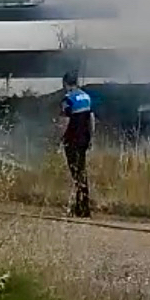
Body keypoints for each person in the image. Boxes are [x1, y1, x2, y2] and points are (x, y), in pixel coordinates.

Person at [60, 71, 94, 217]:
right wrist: (91, 137)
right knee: (82, 171)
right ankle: (84, 205)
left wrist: (60, 138)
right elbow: (91, 118)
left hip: (72, 140)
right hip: (84, 140)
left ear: (65, 83)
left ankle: (79, 207)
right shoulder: (86, 97)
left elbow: (65, 121)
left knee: (75, 172)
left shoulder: (68, 99)